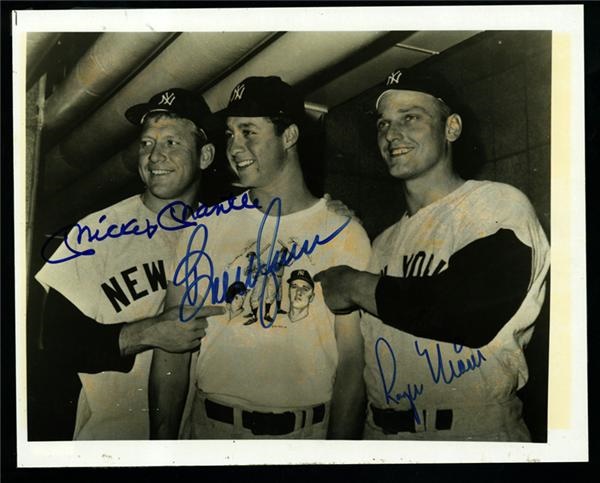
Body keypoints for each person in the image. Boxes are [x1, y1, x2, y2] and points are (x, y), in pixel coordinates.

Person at [315, 69, 550, 441]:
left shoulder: (496, 203)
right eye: (383, 124)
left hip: (470, 435)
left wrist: (353, 284)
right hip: (381, 436)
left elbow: (468, 310)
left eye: (410, 117)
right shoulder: (381, 244)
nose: (391, 134)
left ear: (451, 128)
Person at [150, 76, 372, 440]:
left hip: (306, 438)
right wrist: (160, 449)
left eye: (248, 132)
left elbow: (352, 366)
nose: (235, 146)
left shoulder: (344, 233)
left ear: (289, 136)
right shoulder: (204, 228)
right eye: (230, 134)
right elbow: (172, 349)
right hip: (213, 435)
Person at [35, 88, 225, 440]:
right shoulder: (96, 230)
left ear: (205, 155)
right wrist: (150, 332)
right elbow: (55, 341)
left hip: (200, 439)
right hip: (110, 439)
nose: (155, 156)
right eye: (147, 143)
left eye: (171, 143)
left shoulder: (224, 233)